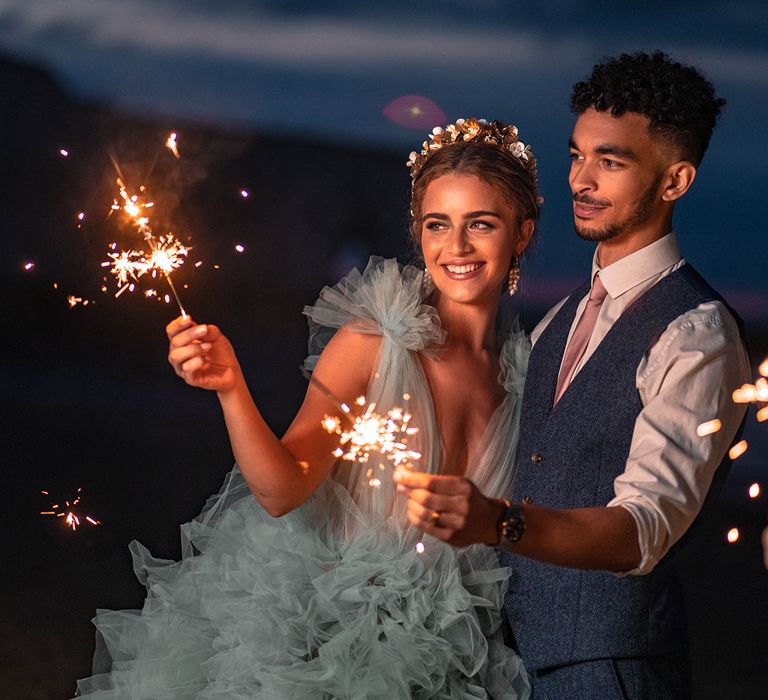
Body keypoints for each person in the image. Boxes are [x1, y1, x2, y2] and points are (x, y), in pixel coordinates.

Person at [74, 118, 539, 699]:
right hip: (328, 643)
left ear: (520, 234)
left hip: (460, 653)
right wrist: (231, 388)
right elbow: (281, 490)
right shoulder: (372, 346)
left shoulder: (529, 375)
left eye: (482, 225)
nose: (456, 248)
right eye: (437, 224)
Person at [396, 51, 751, 698]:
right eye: (576, 155)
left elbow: (643, 529)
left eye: (610, 161)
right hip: (510, 662)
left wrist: (500, 523)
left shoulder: (696, 334)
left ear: (675, 181)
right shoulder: (559, 318)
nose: (580, 180)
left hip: (609, 671)